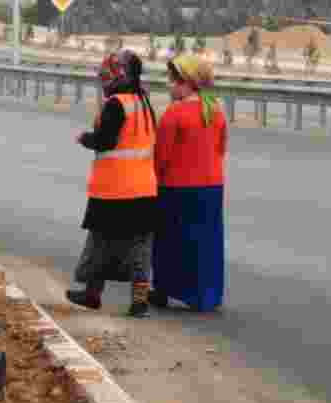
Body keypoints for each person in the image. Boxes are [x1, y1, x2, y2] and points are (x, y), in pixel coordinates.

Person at [65, 49, 158, 318]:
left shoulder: (116, 104)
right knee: (140, 247)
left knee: (100, 243)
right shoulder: (144, 101)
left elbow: (106, 141)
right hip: (144, 188)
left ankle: (92, 294)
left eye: (107, 76)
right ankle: (139, 301)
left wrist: (85, 138)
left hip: (113, 188)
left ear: (118, 76)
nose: (104, 81)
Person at [151, 54, 228, 312]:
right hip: (211, 188)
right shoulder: (215, 110)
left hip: (177, 188)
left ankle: (163, 290)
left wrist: (156, 181)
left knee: (170, 241)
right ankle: (206, 296)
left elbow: (162, 156)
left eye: (173, 80)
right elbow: (221, 148)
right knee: (206, 242)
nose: (169, 85)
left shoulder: (175, 114)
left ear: (187, 83)